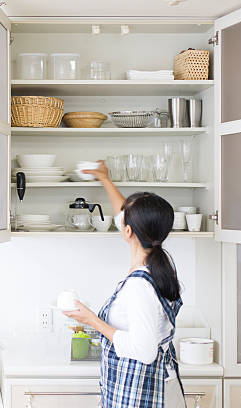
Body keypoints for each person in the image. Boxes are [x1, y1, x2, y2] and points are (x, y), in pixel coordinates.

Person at [65, 160, 186, 408]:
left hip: (142, 397)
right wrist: (105, 179)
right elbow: (125, 215)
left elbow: (144, 351)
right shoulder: (161, 268)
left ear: (129, 231)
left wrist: (93, 321)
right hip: (159, 389)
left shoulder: (139, 287)